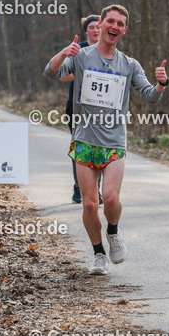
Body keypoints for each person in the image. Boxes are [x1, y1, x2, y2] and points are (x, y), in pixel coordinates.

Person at [44, 4, 169, 275]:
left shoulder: (130, 64)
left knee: (110, 199)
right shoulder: (81, 56)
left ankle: (113, 232)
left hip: (114, 141)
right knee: (90, 204)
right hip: (85, 138)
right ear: (100, 25)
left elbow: (150, 96)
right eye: (110, 21)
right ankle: (98, 252)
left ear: (124, 30)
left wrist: (161, 83)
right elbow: (51, 72)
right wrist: (65, 52)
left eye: (120, 24)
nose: (114, 27)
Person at [59, 15, 101, 204]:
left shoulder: (109, 49)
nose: (96, 30)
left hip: (101, 107)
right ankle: (79, 187)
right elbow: (61, 75)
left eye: (99, 26)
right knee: (80, 146)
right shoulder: (79, 49)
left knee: (100, 147)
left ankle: (96, 190)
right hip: (76, 105)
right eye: (92, 27)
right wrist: (84, 75)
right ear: (86, 30)